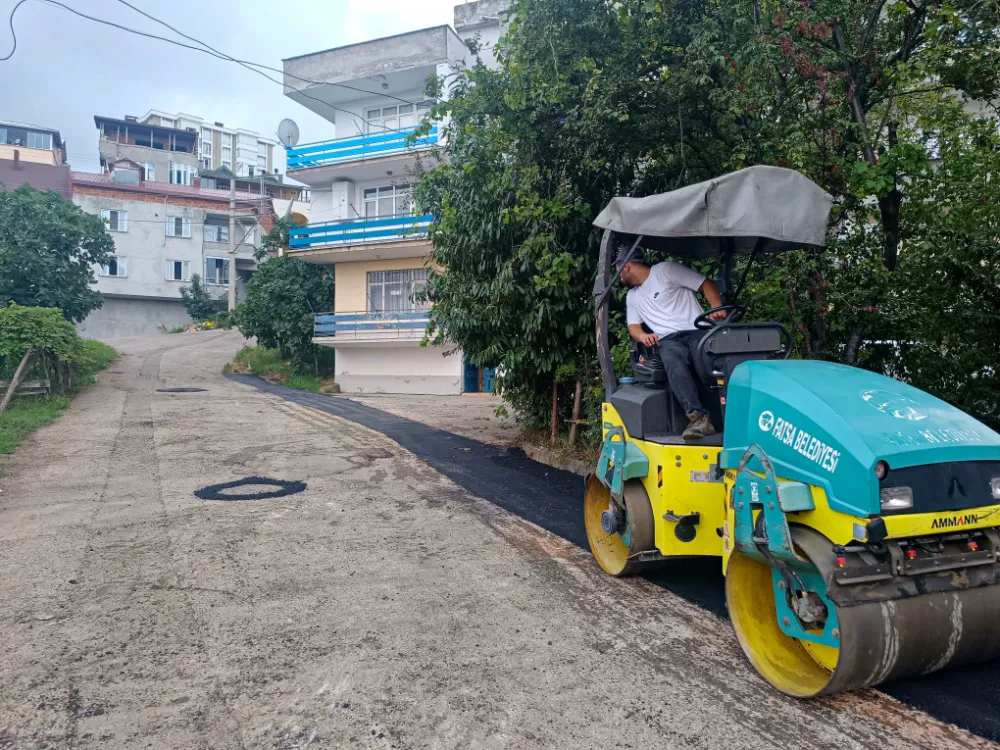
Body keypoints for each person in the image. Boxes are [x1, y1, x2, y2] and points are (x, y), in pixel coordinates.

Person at [616, 247, 727, 441]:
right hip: (668, 339)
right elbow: (634, 327)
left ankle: (730, 413)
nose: (618, 276)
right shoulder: (632, 296)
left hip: (696, 331)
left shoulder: (666, 271)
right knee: (672, 359)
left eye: (617, 270)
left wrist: (716, 307)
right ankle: (698, 419)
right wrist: (643, 336)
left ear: (626, 266)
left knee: (707, 363)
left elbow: (705, 284)